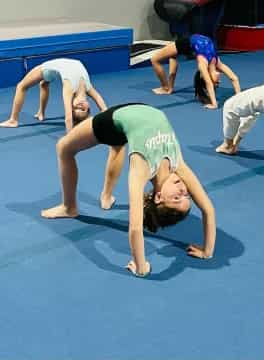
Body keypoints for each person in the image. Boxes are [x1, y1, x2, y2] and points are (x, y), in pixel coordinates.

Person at [41, 103, 216, 277]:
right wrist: (207, 251)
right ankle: (106, 196)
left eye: (177, 199)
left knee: (63, 147)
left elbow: (135, 228)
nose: (183, 190)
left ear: (158, 197)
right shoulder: (178, 165)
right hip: (139, 110)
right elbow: (208, 209)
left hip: (118, 117)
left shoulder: (141, 169)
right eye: (187, 196)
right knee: (117, 143)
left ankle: (69, 207)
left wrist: (141, 267)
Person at [0, 58, 107, 131]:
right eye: (83, 109)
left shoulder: (69, 89)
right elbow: (103, 107)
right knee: (44, 84)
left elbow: (68, 118)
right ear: (88, 106)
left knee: (21, 86)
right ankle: (41, 113)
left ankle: (13, 120)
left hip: (50, 67)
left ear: (71, 105)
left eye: (76, 108)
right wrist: (110, 121)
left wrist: (69, 138)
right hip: (61, 66)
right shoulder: (88, 88)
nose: (80, 106)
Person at [151, 33, 240, 109]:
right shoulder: (217, 63)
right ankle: (169, 88)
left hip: (186, 43)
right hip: (192, 44)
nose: (219, 81)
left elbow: (208, 83)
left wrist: (214, 104)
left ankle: (165, 87)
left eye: (216, 83)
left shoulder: (202, 63)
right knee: (172, 56)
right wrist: (239, 99)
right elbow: (234, 78)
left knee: (154, 59)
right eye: (217, 83)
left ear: (204, 76)